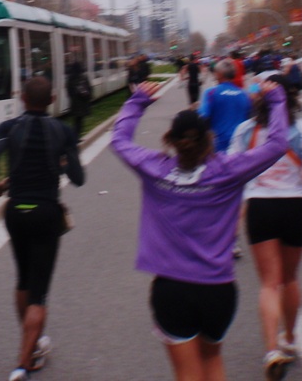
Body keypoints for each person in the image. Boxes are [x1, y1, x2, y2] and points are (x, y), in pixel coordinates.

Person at [111, 79, 289, 381]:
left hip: (171, 290)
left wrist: (137, 101)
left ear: (170, 139)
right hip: (218, 291)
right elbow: (277, 144)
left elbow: (119, 140)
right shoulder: (229, 171)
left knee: (187, 373)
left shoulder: (154, 168)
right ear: (210, 139)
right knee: (212, 361)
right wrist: (277, 101)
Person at [0, 76, 85, 381]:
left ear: (22, 98)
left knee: (23, 280)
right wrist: (63, 163)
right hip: (46, 213)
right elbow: (79, 178)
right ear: (52, 99)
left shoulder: (8, 128)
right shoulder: (63, 131)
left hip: (16, 211)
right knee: (39, 293)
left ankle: (33, 343)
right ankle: (22, 364)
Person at [229, 75, 302, 378]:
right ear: (292, 98)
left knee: (268, 283)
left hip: (260, 205)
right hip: (295, 205)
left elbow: (232, 167)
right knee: (290, 278)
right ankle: (289, 339)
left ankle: (272, 350)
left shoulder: (247, 130)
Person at [199, 59, 252, 154]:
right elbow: (250, 117)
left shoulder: (211, 93)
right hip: (240, 145)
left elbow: (202, 117)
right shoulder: (244, 94)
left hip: (218, 146)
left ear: (218, 74)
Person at [64, 56, 92, 137]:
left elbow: (68, 91)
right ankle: (76, 136)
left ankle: (75, 135)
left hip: (74, 103)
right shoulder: (83, 77)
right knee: (80, 121)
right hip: (82, 102)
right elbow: (89, 89)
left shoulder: (70, 79)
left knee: (76, 120)